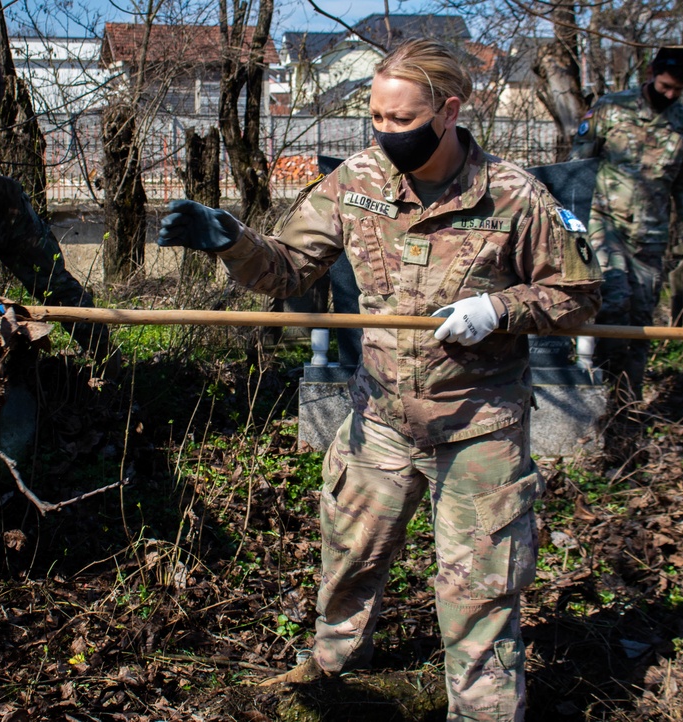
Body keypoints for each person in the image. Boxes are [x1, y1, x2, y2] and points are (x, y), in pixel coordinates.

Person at [159, 39, 601, 722]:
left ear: (449, 111)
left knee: (479, 595)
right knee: (347, 564)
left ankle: (482, 713)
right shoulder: (356, 182)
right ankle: (332, 675)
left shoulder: (514, 197)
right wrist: (230, 240)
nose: (384, 132)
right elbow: (286, 269)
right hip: (381, 422)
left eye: (401, 119)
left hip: (478, 428)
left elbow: (579, 294)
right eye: (376, 117)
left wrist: (501, 308)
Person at [569, 46, 683, 461]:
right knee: (613, 300)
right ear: (651, 74)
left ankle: (626, 409)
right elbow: (578, 164)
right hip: (603, 222)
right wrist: (568, 222)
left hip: (650, 235)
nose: (669, 96)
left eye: (677, 91)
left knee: (641, 321)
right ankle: (596, 397)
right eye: (665, 87)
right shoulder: (611, 109)